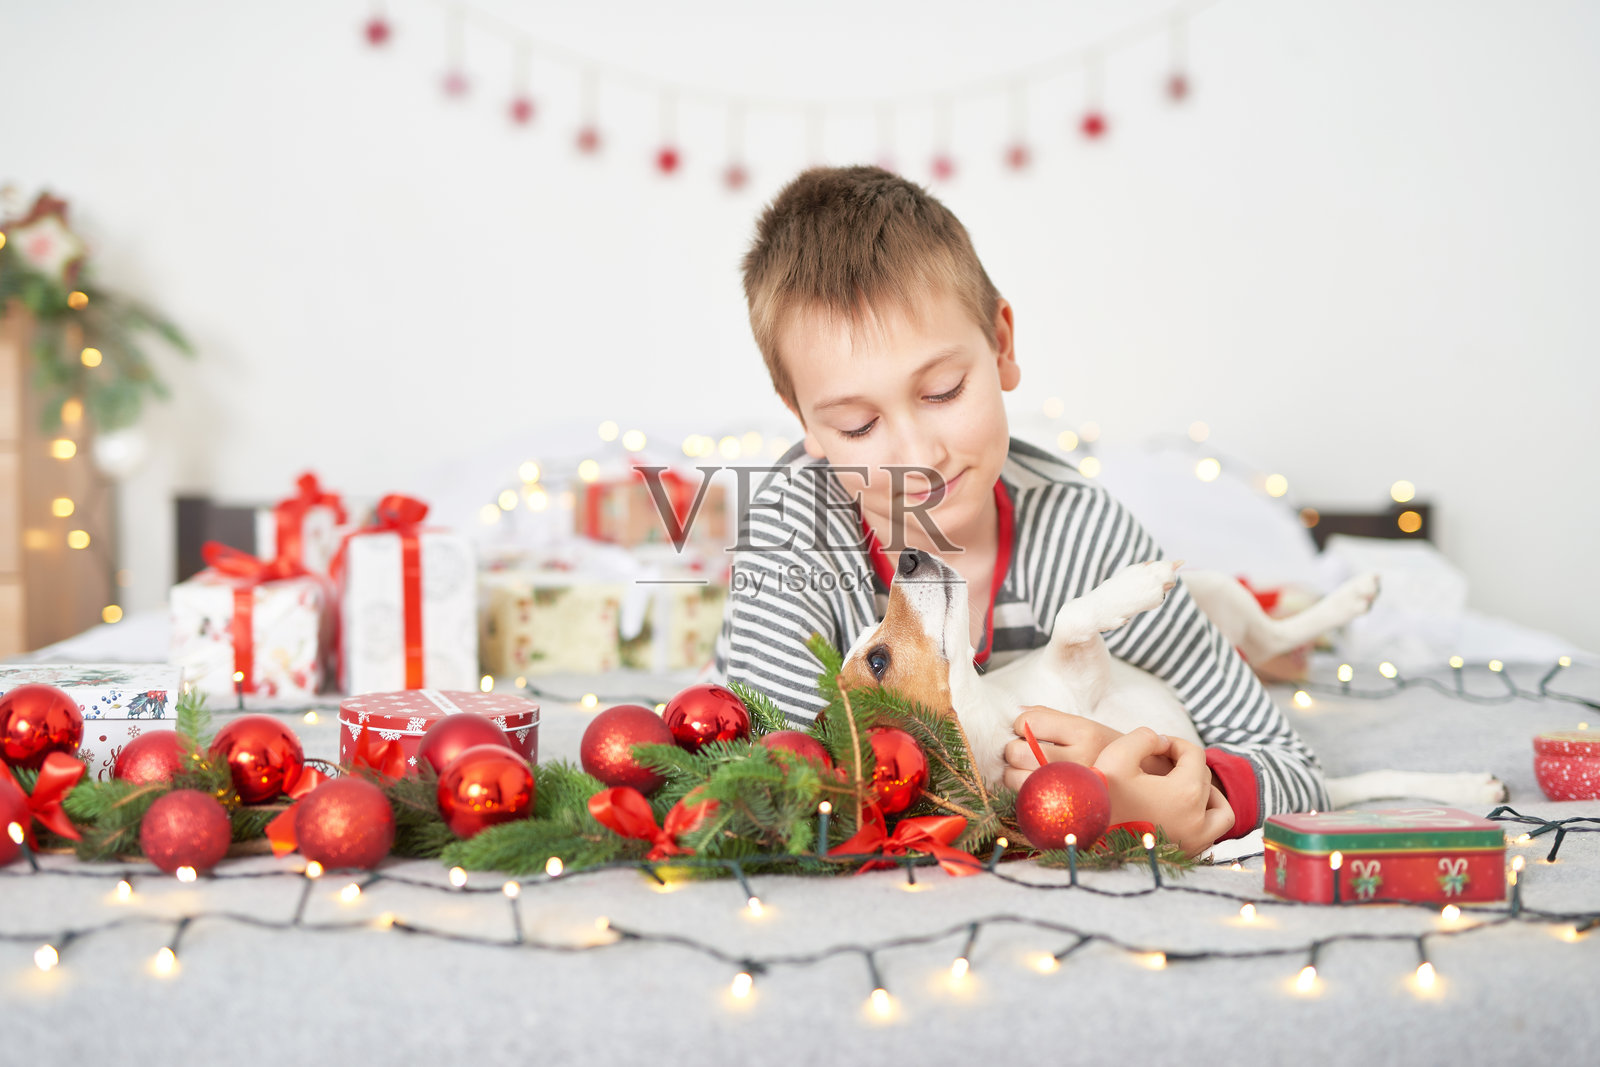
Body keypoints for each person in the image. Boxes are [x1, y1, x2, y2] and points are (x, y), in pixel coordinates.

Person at [712, 165, 1326, 853]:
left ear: (1002, 343)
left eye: (942, 390)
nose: (917, 452)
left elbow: (1294, 769)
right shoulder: (792, 537)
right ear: (808, 424)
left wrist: (1156, 794)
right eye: (858, 426)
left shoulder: (1084, 536)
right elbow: (769, 796)